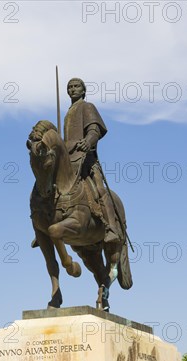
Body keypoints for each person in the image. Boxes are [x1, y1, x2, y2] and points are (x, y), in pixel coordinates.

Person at [64, 77, 121, 243]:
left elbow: (94, 131)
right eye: (70, 87)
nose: (73, 89)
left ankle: (111, 228)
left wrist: (87, 142)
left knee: (99, 190)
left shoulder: (87, 107)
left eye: (76, 86)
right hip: (69, 160)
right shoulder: (68, 112)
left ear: (83, 90)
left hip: (86, 159)